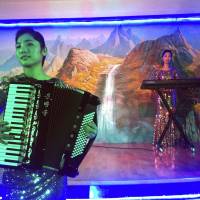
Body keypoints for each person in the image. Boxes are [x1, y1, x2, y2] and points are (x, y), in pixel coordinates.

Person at [0, 27, 97, 200]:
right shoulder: (7, 86)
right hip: (15, 177)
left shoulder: (62, 88)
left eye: (29, 44)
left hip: (52, 178)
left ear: (44, 50)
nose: (22, 49)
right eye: (18, 46)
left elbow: (78, 130)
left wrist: (89, 132)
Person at [149, 49, 179, 147]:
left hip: (171, 97)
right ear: (162, 58)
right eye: (165, 56)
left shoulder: (174, 71)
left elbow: (179, 84)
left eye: (169, 56)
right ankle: (160, 141)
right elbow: (154, 87)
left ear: (171, 58)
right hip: (161, 99)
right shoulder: (158, 72)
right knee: (161, 117)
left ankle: (169, 142)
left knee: (170, 117)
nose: (167, 58)